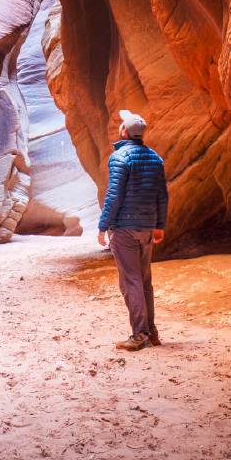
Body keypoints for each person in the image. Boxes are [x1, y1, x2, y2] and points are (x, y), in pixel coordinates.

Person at [96, 109, 168, 350]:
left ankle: (140, 335)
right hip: (147, 229)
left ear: (125, 132)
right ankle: (152, 333)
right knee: (144, 280)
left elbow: (113, 196)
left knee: (131, 281)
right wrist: (159, 227)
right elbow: (162, 196)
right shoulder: (155, 158)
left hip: (124, 230)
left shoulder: (120, 157)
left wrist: (102, 226)